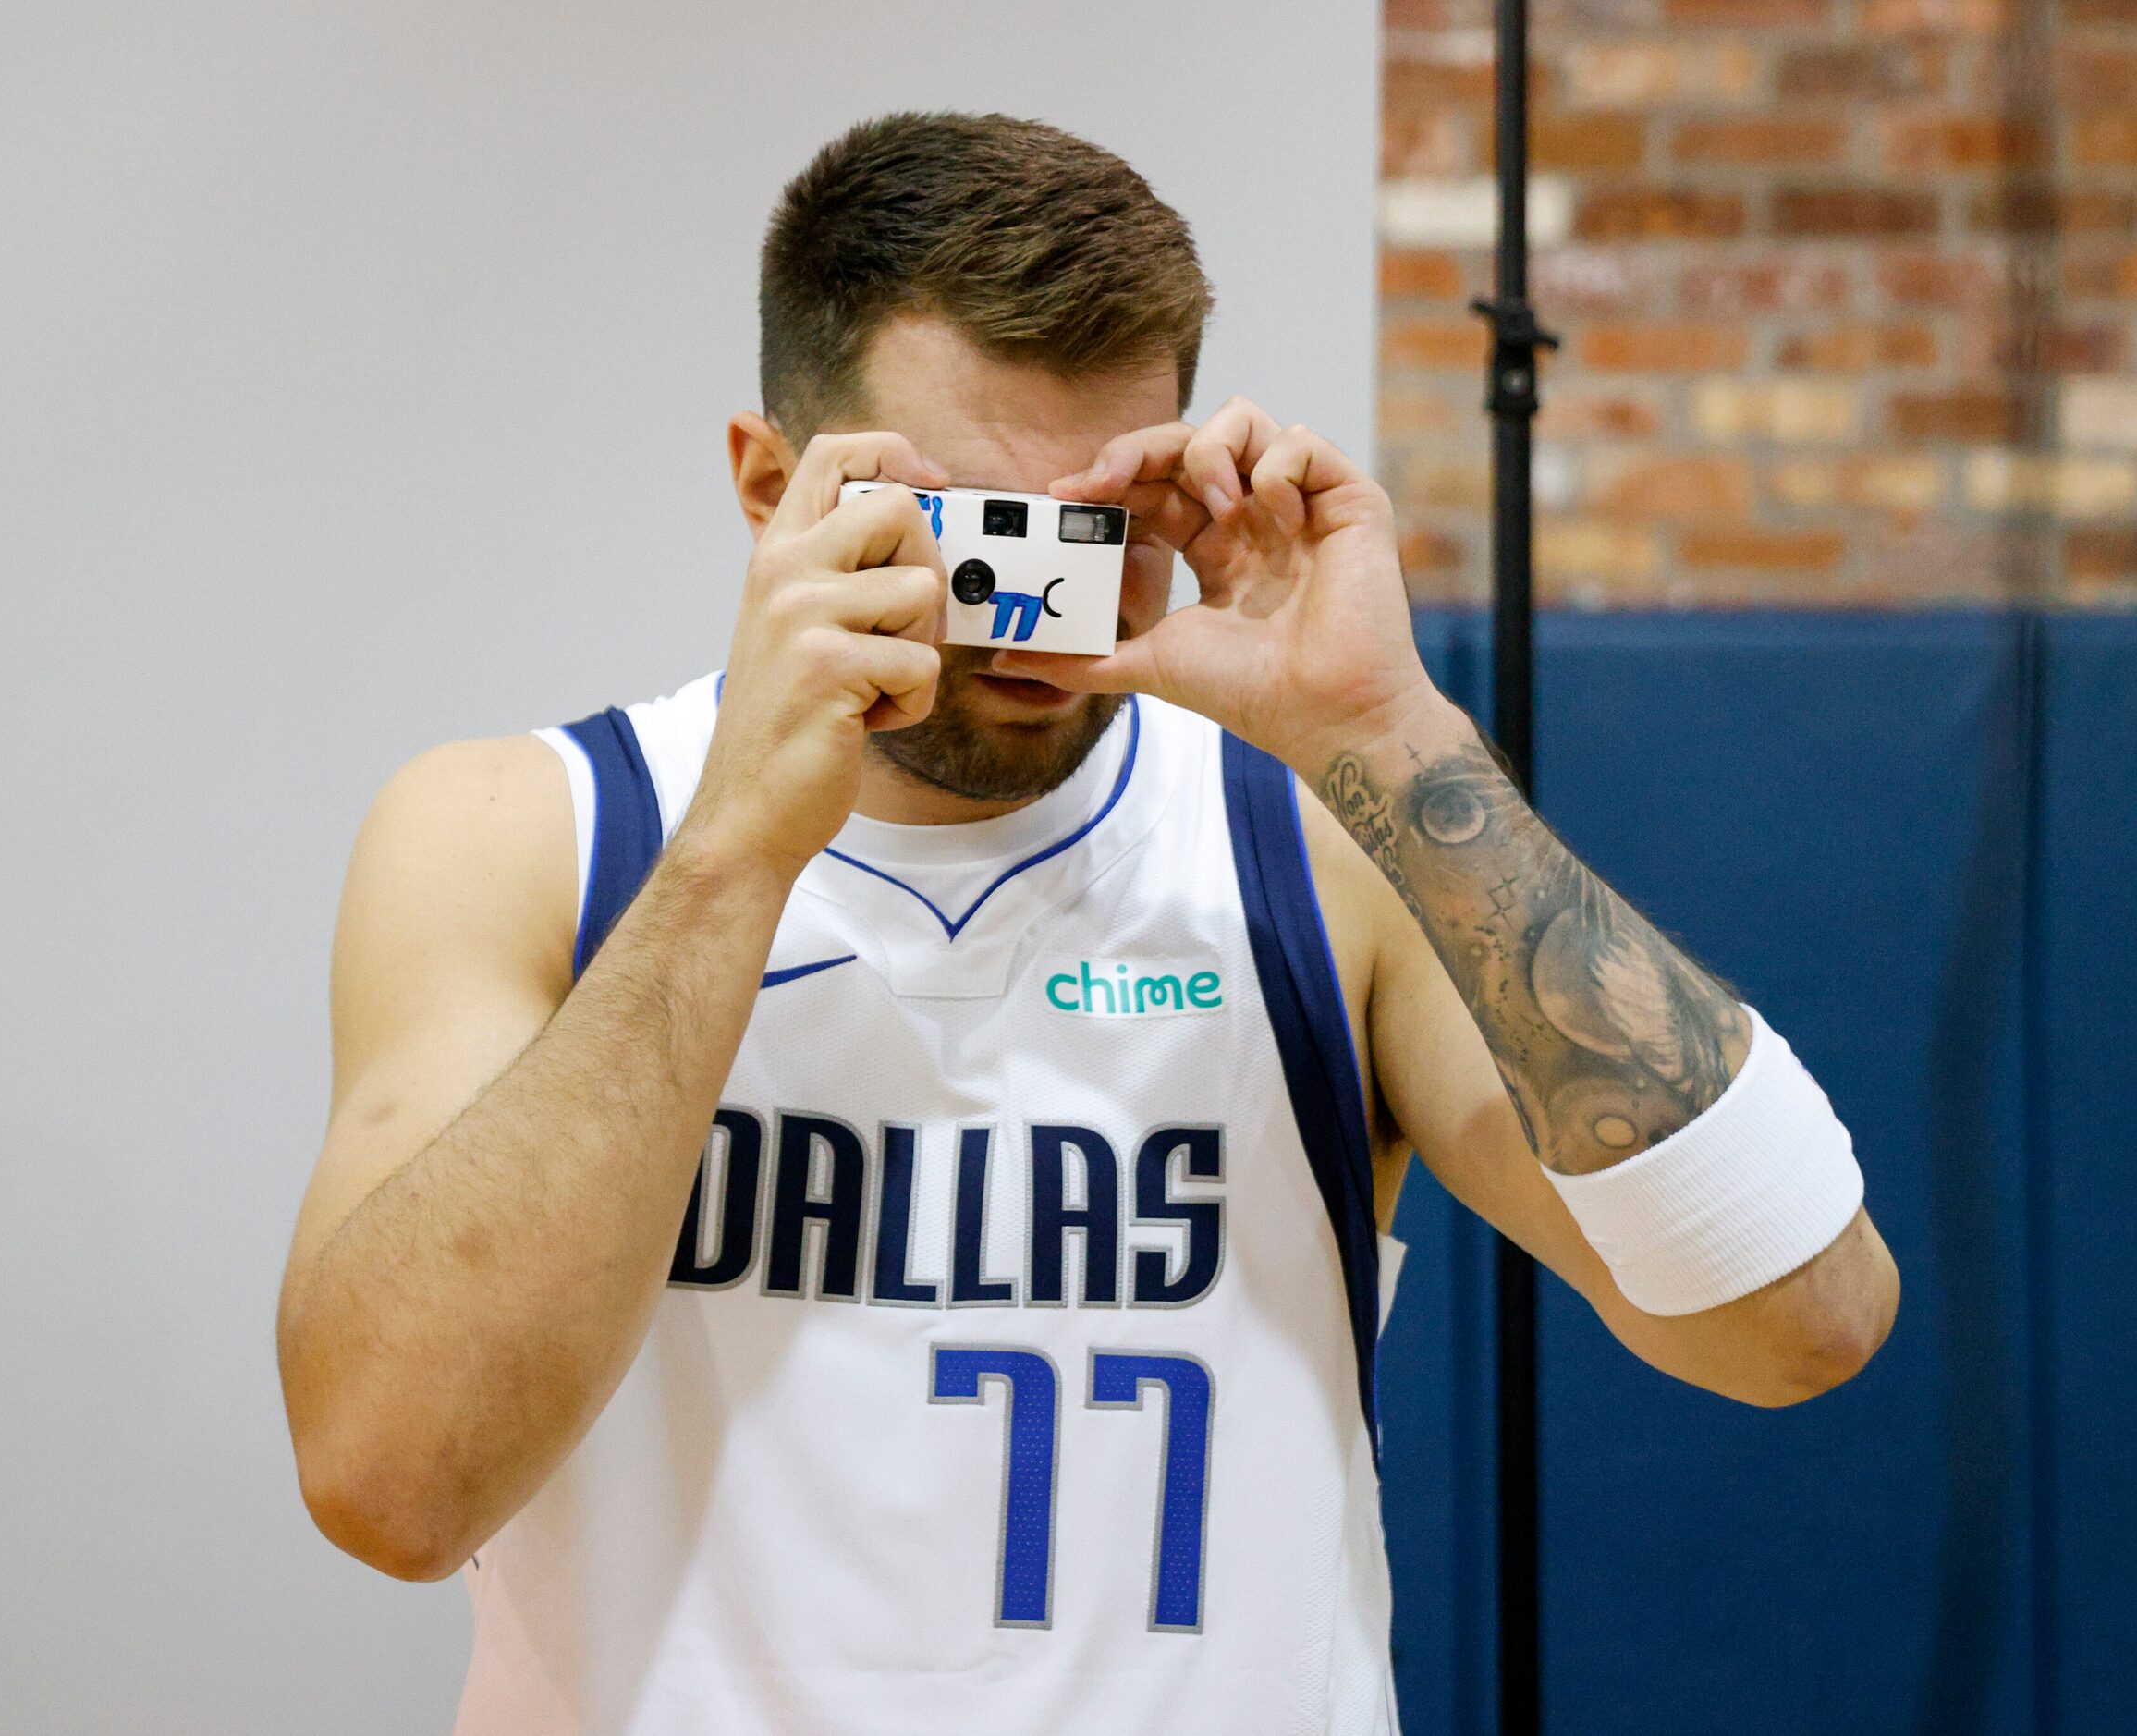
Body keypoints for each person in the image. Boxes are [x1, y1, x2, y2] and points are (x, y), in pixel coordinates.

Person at [275, 111, 1899, 1734]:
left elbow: (1803, 1321)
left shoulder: (1311, 853)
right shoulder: (532, 836)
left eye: (1102, 525)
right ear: (775, 489)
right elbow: (392, 1484)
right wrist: (733, 858)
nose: (1044, 601)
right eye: (980, 531)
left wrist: (1389, 735)